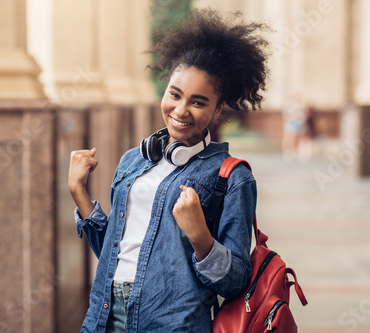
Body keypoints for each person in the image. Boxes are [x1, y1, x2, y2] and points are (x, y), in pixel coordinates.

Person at [68, 9, 270, 332]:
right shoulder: (133, 160)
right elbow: (113, 249)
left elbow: (235, 282)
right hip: (103, 316)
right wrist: (79, 193)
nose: (180, 110)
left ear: (218, 109)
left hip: (173, 324)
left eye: (198, 102)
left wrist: (200, 235)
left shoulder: (232, 177)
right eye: (174, 94)